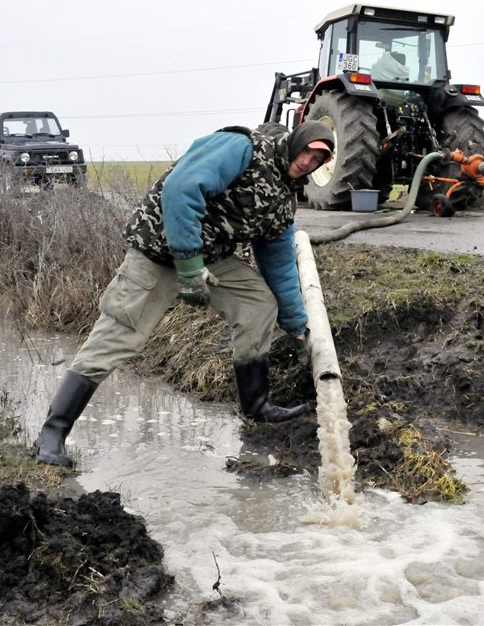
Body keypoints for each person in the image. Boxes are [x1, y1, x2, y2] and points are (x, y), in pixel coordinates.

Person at [33, 120, 336, 468]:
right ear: (297, 142)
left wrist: (297, 326)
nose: (308, 162)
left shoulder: (284, 200)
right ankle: (53, 434)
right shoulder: (242, 148)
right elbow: (181, 188)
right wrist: (190, 266)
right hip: (159, 251)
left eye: (318, 160)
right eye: (308, 152)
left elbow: (280, 267)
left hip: (212, 256)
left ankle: (257, 406)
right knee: (119, 335)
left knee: (258, 303)